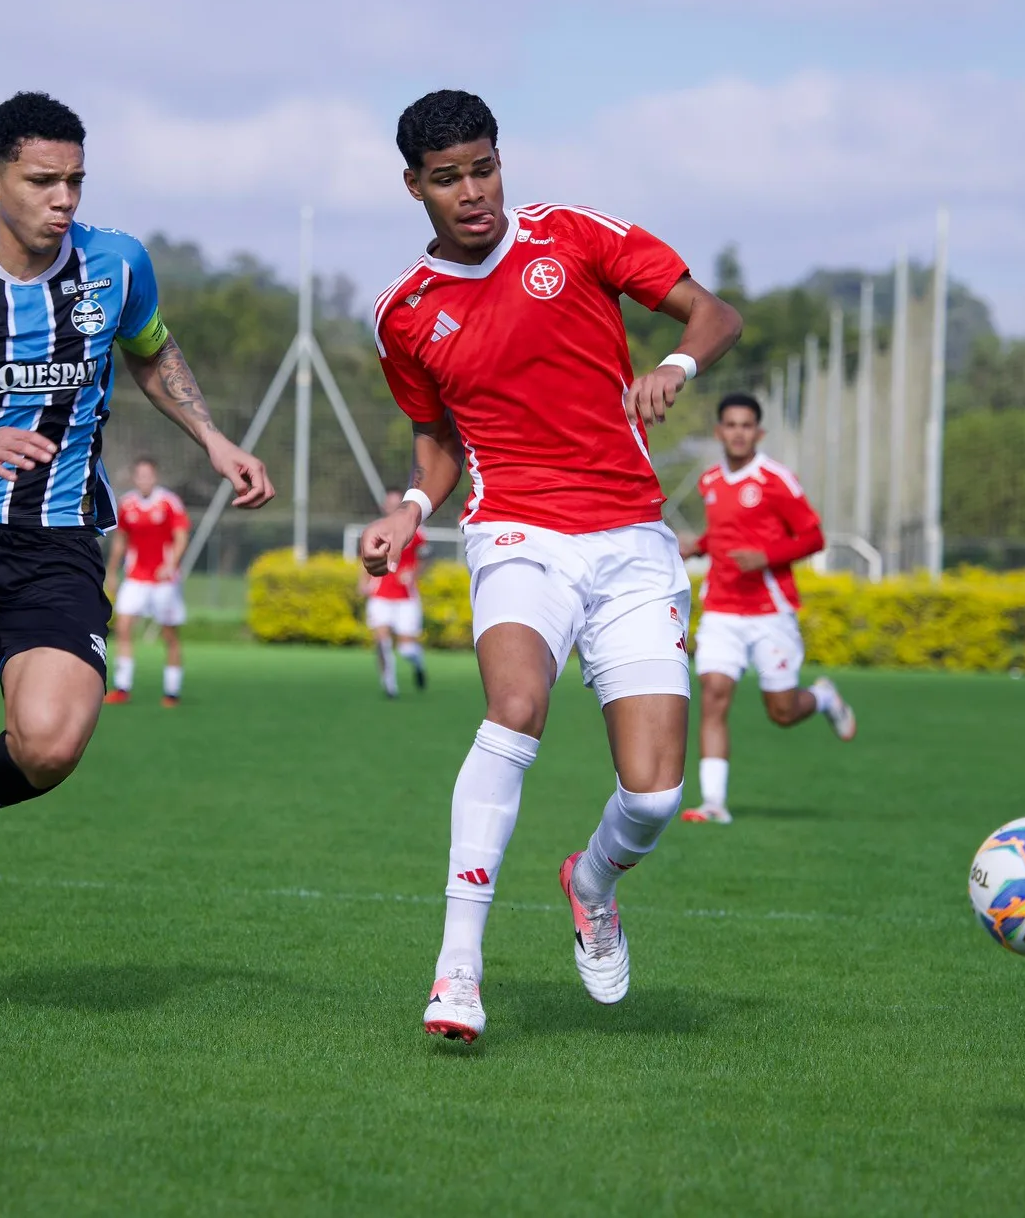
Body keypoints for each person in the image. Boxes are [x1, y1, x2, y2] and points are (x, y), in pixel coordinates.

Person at [0, 92, 273, 1013]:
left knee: (53, 743)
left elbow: (150, 351)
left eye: (75, 180)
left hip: (56, 538)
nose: (63, 199)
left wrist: (214, 441)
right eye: (42, 181)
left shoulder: (116, 263)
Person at [360, 90, 743, 1043]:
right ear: (415, 187)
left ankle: (592, 879)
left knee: (655, 794)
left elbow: (713, 312)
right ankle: (457, 970)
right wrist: (411, 508)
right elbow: (437, 444)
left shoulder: (573, 236)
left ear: (500, 161)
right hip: (517, 531)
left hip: (633, 543)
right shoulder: (405, 316)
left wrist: (677, 368)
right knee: (516, 706)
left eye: (483, 168)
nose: (473, 191)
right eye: (448, 179)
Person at [677, 393, 854, 825]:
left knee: (782, 712)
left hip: (769, 610)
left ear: (759, 433)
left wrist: (767, 556)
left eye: (746, 425)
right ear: (719, 432)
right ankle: (713, 803)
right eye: (730, 425)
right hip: (721, 607)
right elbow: (722, 535)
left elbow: (813, 537)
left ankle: (823, 697)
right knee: (714, 696)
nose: (738, 432)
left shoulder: (777, 480)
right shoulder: (711, 481)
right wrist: (696, 546)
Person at [104, 457, 189, 706]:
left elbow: (181, 537)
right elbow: (120, 541)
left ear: (155, 476)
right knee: (123, 626)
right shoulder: (127, 505)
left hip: (164, 581)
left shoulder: (169, 502)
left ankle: (172, 691)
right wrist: (111, 571)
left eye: (148, 475)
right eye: (140, 475)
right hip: (135, 578)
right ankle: (122, 687)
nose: (144, 480)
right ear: (134, 478)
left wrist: (171, 563)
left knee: (169, 634)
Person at [361, 487, 428, 699]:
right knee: (382, 641)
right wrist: (363, 582)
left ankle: (418, 664)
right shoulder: (374, 530)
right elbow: (364, 560)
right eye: (388, 504)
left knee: (407, 649)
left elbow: (425, 560)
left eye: (396, 504)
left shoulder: (416, 533)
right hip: (380, 594)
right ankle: (390, 686)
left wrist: (414, 573)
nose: (391, 508)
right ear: (384, 506)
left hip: (406, 597)